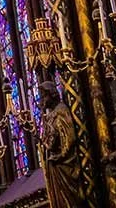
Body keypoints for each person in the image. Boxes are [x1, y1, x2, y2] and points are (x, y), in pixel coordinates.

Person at [39, 80, 82, 208]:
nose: (42, 100)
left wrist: (61, 154)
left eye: (44, 96)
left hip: (64, 162)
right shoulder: (50, 114)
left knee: (70, 199)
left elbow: (69, 137)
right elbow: (48, 140)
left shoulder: (61, 110)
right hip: (54, 164)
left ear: (51, 94)